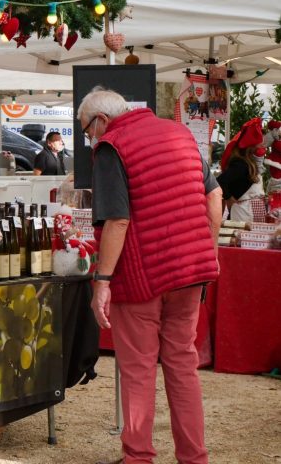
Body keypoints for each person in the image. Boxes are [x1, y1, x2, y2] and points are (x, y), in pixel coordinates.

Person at [79, 87, 221, 464]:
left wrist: (102, 282)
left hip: (141, 277)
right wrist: (207, 247)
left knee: (138, 370)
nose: (89, 139)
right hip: (189, 272)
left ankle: (138, 457)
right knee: (181, 365)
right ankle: (194, 457)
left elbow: (117, 220)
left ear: (102, 121)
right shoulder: (179, 133)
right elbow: (215, 198)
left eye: (87, 130)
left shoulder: (111, 147)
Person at [216, 117, 265, 223]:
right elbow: (220, 181)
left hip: (251, 209)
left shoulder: (249, 163)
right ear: (252, 147)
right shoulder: (241, 165)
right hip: (242, 212)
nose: (263, 146)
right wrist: (229, 198)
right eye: (260, 144)